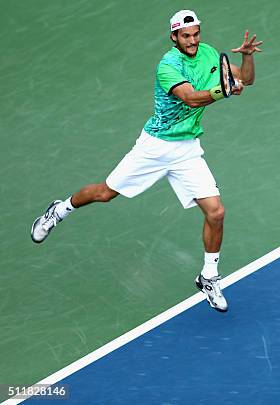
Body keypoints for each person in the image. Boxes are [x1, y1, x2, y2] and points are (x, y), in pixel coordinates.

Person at [30, 10, 263, 313]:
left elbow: (246, 78)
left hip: (187, 149)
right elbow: (191, 98)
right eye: (186, 36)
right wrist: (224, 90)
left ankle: (209, 277)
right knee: (105, 193)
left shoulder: (207, 54)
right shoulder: (168, 66)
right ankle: (59, 210)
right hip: (154, 148)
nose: (192, 40)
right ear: (174, 37)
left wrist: (247, 58)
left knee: (216, 213)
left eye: (196, 34)